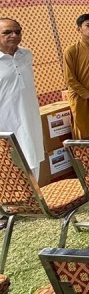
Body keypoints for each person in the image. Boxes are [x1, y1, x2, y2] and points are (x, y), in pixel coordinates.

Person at [0, 18, 44, 179]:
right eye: (7, 32)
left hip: (30, 122)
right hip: (5, 126)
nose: (14, 35)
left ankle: (34, 195)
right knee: (10, 172)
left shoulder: (26, 54)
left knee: (33, 162)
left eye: (17, 31)